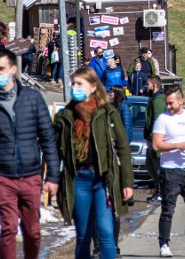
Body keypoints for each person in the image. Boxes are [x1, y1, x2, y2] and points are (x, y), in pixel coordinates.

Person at [0, 48, 60, 259]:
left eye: (1, 68)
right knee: (9, 227)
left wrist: (53, 176)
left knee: (32, 231)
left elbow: (48, 138)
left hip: (31, 176)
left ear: (13, 69)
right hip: (2, 176)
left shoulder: (33, 98)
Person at [54, 68, 133, 259]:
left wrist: (127, 182)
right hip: (78, 179)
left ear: (93, 87)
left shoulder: (107, 113)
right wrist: (51, 179)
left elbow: (123, 147)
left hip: (103, 180)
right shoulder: (65, 116)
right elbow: (54, 151)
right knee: (83, 235)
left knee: (106, 233)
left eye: (80, 84)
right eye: (73, 83)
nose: (74, 87)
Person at [153, 84, 185, 257]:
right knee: (168, 209)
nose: (168, 107)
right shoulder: (163, 119)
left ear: (181, 100)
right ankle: (164, 245)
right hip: (170, 171)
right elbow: (156, 145)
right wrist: (177, 145)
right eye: (167, 103)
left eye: (171, 103)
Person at [144, 75, 166, 203]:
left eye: (148, 84)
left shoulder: (158, 100)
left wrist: (154, 139)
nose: (146, 86)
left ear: (154, 85)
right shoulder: (153, 98)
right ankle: (158, 189)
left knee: (157, 167)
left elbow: (157, 121)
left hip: (156, 140)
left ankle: (161, 192)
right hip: (151, 138)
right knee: (149, 165)